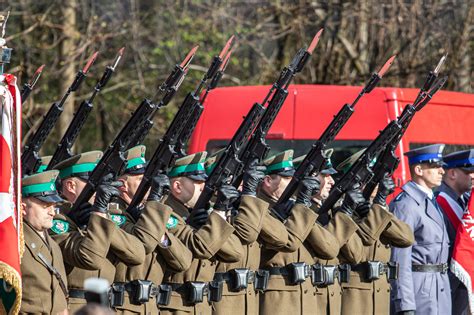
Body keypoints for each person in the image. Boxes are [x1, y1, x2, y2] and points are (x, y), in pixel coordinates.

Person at [51, 151, 145, 312]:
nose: (99, 189)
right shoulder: (56, 221)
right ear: (70, 186)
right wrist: (98, 216)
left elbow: (137, 254)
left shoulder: (98, 216)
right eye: (93, 184)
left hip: (107, 306)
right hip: (76, 307)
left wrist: (99, 219)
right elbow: (90, 258)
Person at [158, 151, 244, 315]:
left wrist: (210, 220)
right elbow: (201, 247)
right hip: (176, 307)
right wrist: (217, 213)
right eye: (197, 182)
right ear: (177, 186)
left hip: (203, 306)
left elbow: (235, 252)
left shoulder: (197, 213)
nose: (204, 187)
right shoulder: (165, 215)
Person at [257, 150, 339, 315]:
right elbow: (289, 242)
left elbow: (330, 249)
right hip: (278, 303)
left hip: (306, 298)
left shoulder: (294, 208)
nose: (294, 183)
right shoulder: (258, 209)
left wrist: (300, 209)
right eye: (287, 179)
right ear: (267, 181)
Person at [390, 144, 451, 315]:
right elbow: (399, 259)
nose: (442, 171)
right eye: (435, 166)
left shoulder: (430, 200)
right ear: (418, 169)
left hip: (439, 287)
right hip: (420, 293)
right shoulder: (406, 204)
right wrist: (405, 304)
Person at [20, 170, 68, 315]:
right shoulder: (15, 244)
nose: (52, 212)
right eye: (45, 206)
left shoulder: (53, 246)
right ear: (23, 208)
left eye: (53, 206)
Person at [435, 149, 474, 315]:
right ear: (452, 173)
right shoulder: (439, 202)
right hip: (450, 288)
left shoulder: (465, 200)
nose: (473, 176)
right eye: (469, 171)